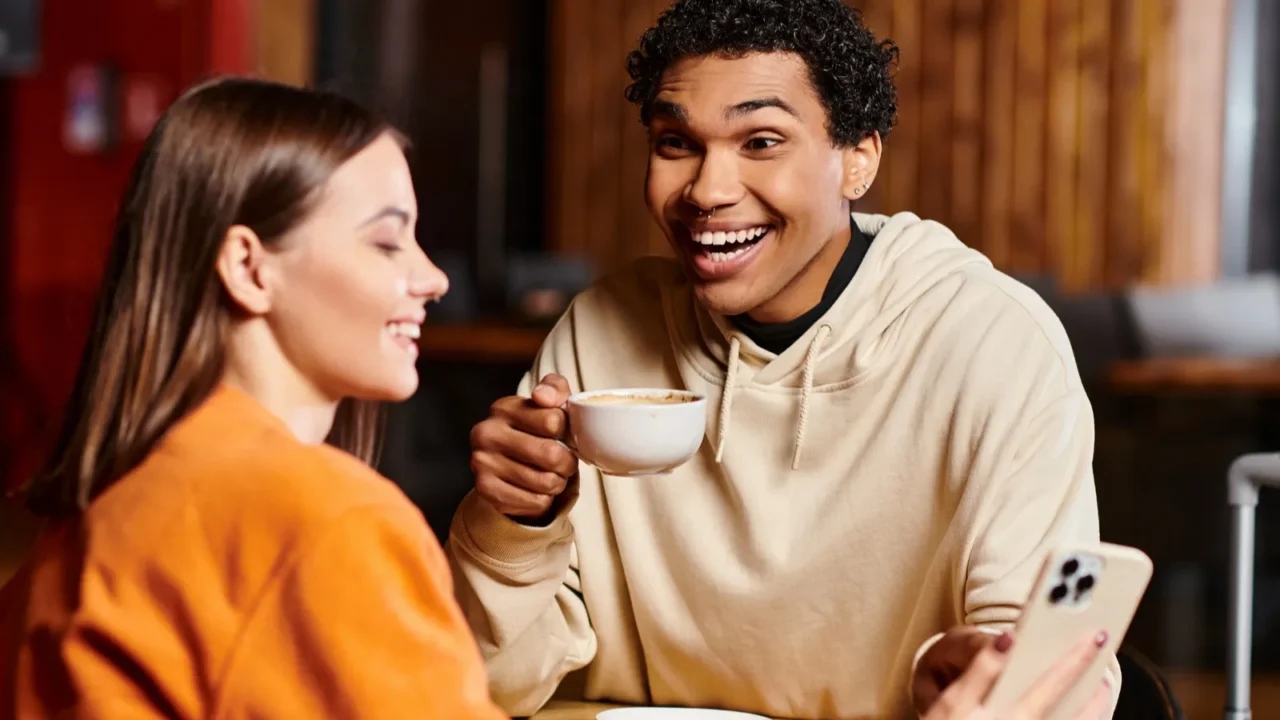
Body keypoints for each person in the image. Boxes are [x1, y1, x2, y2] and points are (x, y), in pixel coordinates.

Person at [449, 0, 1116, 717]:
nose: (707, 190)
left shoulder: (991, 344)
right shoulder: (601, 335)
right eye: (676, 143)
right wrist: (515, 522)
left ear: (858, 157)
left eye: (762, 141)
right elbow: (489, 684)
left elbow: (1044, 680)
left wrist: (974, 682)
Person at [0, 78, 505, 719]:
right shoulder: (327, 521)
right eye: (385, 242)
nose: (433, 278)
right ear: (248, 267)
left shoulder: (83, 517)